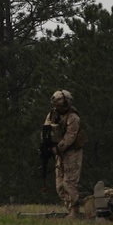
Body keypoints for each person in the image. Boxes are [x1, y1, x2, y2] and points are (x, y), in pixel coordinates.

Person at [44, 89, 86, 217]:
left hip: (72, 152)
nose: (58, 108)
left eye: (60, 105)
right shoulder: (52, 115)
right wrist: (46, 146)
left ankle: (74, 211)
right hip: (59, 154)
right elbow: (46, 129)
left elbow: (69, 138)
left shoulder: (73, 117)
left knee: (69, 183)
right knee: (60, 185)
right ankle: (69, 208)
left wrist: (56, 149)